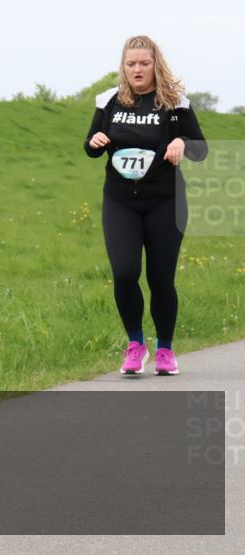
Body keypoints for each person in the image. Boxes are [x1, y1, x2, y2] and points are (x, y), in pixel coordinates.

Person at [84, 35, 207, 377]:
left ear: (156, 65)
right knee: (124, 273)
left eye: (144, 63)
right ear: (123, 66)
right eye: (131, 63)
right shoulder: (109, 101)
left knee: (160, 279)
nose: (137, 69)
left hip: (164, 202)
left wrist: (182, 141)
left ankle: (165, 350)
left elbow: (201, 148)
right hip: (121, 200)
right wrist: (95, 141)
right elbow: (92, 146)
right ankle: (136, 345)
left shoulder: (174, 103)